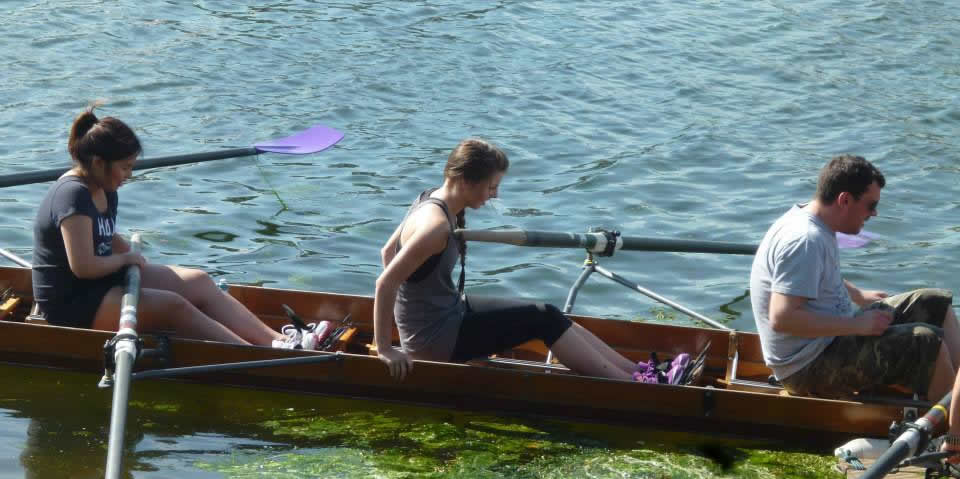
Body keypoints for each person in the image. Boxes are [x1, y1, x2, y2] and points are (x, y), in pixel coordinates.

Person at [31, 106, 312, 349]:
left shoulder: (104, 184)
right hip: (71, 303)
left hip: (101, 283)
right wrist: (127, 259)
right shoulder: (72, 196)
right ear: (98, 163)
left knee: (200, 280)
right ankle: (261, 356)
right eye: (126, 167)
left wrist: (130, 254)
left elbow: (102, 234)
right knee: (172, 306)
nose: (130, 175)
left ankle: (279, 341)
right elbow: (84, 267)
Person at [373, 138, 642, 381]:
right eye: (492, 186)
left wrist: (412, 312)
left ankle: (638, 371)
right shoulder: (435, 227)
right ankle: (631, 385)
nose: (495, 195)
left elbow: (388, 252)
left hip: (446, 313)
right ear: (466, 181)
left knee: (549, 311)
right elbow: (385, 283)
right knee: (544, 319)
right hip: (436, 338)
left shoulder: (428, 196)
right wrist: (386, 348)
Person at [750, 154, 960, 401]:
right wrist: (858, 325)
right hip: (806, 366)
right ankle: (949, 431)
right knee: (926, 343)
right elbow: (782, 318)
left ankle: (955, 394)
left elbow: (814, 276)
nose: (875, 213)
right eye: (871, 205)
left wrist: (857, 295)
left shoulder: (814, 221)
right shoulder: (805, 241)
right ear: (845, 200)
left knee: (934, 303)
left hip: (834, 337)